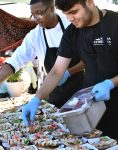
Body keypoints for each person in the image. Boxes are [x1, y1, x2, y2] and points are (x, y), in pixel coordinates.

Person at [22, 0, 118, 139]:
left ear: (89, 2)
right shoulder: (72, 32)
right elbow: (56, 71)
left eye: (74, 12)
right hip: (92, 107)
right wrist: (37, 98)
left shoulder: (115, 23)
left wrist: (110, 83)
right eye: (66, 14)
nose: (70, 18)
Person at [0, 0, 84, 108]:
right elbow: (15, 60)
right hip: (54, 92)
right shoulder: (35, 35)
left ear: (52, 8)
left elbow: (88, 59)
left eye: (39, 13)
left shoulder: (71, 24)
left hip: (80, 90)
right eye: (33, 15)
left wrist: (67, 73)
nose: (36, 18)